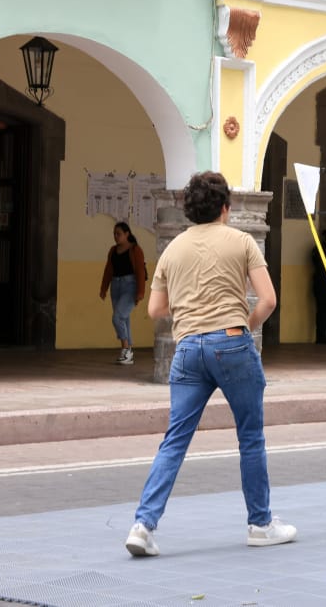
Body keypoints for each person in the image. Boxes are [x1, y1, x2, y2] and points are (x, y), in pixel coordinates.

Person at [124, 171, 296, 557]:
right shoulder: (242, 241)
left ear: (189, 209)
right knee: (250, 436)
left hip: (187, 348)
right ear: (225, 208)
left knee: (175, 439)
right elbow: (268, 300)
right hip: (232, 342)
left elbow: (155, 310)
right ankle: (260, 523)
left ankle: (143, 525)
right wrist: (244, 325)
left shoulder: (173, 249)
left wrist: (190, 307)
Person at [99, 221, 147, 365]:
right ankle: (127, 353)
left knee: (117, 317)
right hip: (116, 286)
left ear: (127, 234)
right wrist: (103, 288)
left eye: (118, 234)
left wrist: (140, 292)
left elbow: (140, 271)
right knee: (124, 319)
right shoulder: (113, 250)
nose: (116, 236)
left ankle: (126, 350)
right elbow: (108, 270)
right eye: (114, 234)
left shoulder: (135, 250)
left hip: (130, 286)